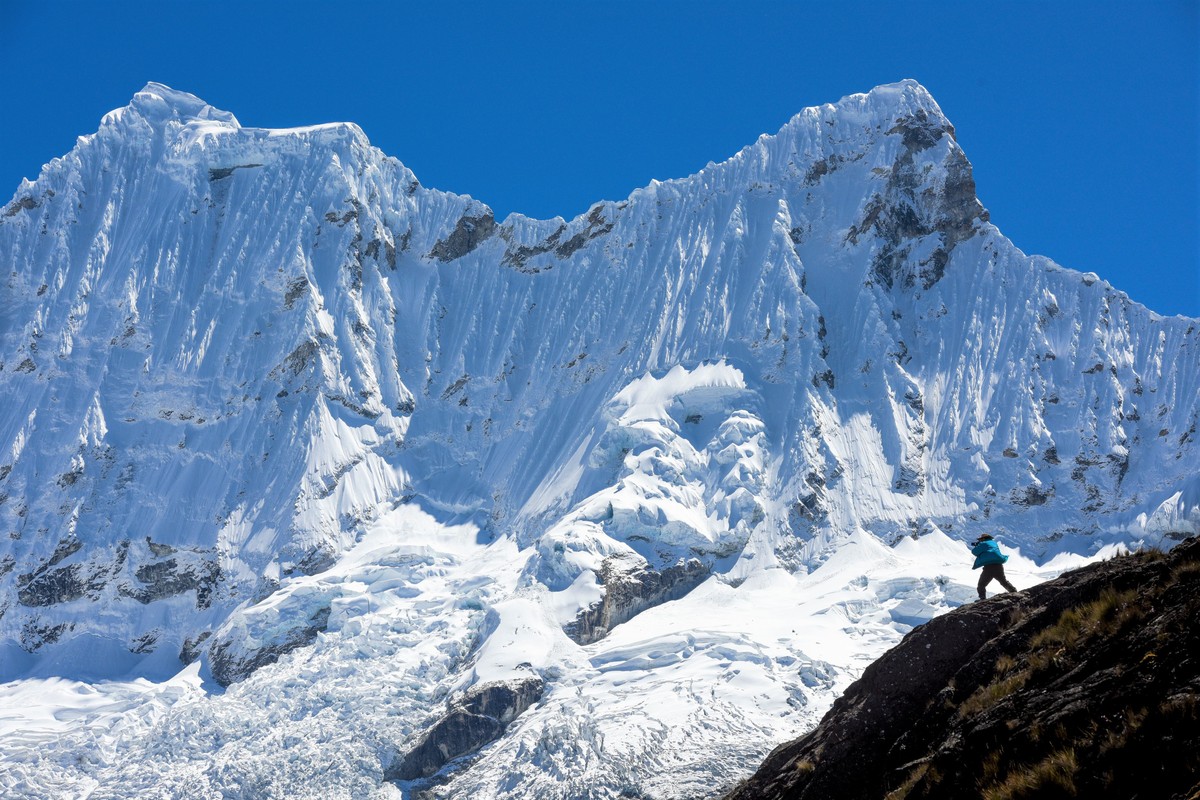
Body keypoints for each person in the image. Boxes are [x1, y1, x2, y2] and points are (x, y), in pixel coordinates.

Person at [971, 533, 1017, 600]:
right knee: (1003, 581)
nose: (980, 541)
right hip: (998, 566)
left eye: (981, 539)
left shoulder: (983, 544)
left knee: (981, 585)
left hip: (989, 567)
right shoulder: (994, 543)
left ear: (983, 539)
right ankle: (1014, 591)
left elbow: (974, 552)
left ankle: (982, 599)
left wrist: (977, 545)